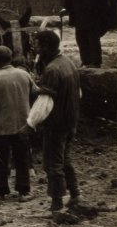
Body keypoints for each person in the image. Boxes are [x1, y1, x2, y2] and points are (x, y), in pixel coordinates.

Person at [22, 30, 81, 212]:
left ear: (46, 46)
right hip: (71, 121)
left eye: (38, 45)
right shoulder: (69, 63)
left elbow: (45, 101)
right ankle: (75, 195)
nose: (35, 48)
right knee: (65, 159)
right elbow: (78, 93)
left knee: (52, 163)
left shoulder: (52, 69)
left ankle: (57, 204)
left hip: (57, 124)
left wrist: (30, 124)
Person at [0, 46, 36, 202]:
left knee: (0, 160)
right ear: (10, 58)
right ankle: (24, 191)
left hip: (1, 127)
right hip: (23, 126)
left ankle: (0, 192)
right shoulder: (24, 75)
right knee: (22, 159)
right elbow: (35, 94)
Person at [62, 0, 110, 67]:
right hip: (79, 19)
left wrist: (94, 13)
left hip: (92, 18)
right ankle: (86, 61)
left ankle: (95, 62)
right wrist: (65, 8)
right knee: (81, 39)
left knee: (92, 39)